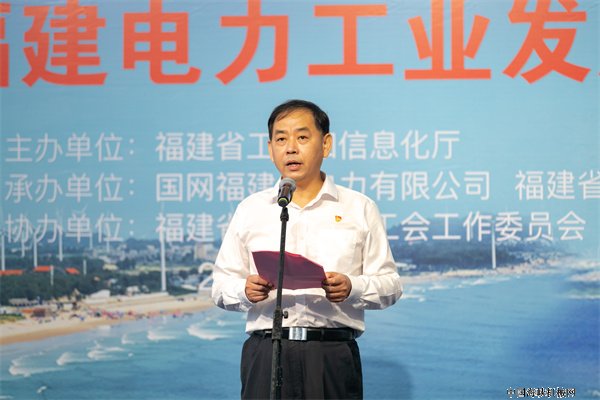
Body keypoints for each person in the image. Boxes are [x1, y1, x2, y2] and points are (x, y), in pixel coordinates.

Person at [212, 99, 402, 399]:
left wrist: (352, 287)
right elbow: (220, 286)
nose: (290, 148)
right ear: (270, 148)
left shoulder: (358, 208)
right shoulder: (251, 209)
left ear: (326, 144)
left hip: (330, 354)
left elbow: (390, 285)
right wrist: (244, 291)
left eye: (302, 137)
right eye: (281, 139)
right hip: (265, 352)